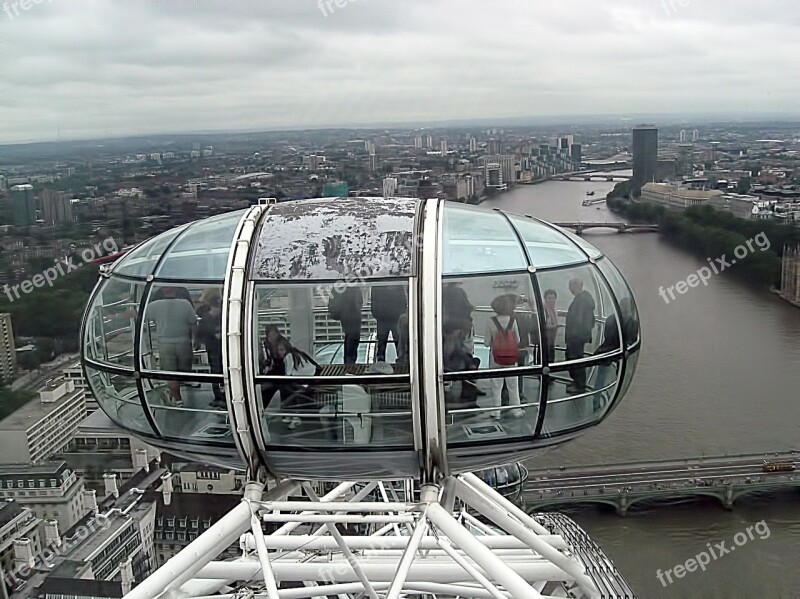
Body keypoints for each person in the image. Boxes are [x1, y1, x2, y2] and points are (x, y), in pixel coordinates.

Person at [144, 286, 197, 406]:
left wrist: (115, 316)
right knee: (184, 370)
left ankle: (178, 399)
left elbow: (139, 314)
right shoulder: (185, 304)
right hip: (184, 342)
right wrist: (196, 340)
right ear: (176, 290)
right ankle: (179, 388)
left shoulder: (154, 305)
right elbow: (193, 323)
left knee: (170, 373)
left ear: (162, 291)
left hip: (165, 343)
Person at [483, 294, 524, 419]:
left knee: (496, 386)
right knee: (513, 385)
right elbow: (517, 340)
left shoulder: (491, 321)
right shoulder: (512, 320)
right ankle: (516, 410)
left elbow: (486, 343)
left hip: (496, 358)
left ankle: (496, 411)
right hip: (511, 358)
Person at [565, 278, 595, 393]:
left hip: (576, 336)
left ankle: (579, 385)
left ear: (577, 286)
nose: (570, 289)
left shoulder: (581, 301)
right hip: (579, 336)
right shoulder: (585, 300)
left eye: (571, 286)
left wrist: (572, 334)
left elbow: (578, 320)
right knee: (576, 358)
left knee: (576, 359)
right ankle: (577, 381)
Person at [195, 288, 225, 408]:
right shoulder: (221, 314)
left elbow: (201, 331)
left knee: (216, 372)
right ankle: (222, 396)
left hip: (213, 347)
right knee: (220, 371)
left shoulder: (205, 316)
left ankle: (219, 397)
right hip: (219, 347)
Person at [370, 285, 406, 362]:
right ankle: (402, 363)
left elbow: (373, 302)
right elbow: (403, 302)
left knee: (381, 345)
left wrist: (377, 315)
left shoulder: (377, 286)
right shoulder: (397, 285)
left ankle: (380, 363)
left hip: (383, 319)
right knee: (399, 343)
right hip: (394, 319)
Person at [329, 286, 363, 364]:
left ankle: (349, 362)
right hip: (351, 315)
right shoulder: (353, 287)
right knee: (352, 339)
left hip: (348, 315)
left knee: (351, 338)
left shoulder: (341, 286)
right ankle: (350, 362)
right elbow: (359, 301)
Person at [443, 282, 474, 352]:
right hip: (460, 323)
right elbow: (466, 306)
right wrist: (472, 307)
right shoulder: (460, 291)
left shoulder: (443, 291)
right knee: (465, 342)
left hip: (447, 323)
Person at [542, 289, 559, 364]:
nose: (551, 300)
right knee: (545, 361)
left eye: (553, 298)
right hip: (544, 341)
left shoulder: (554, 310)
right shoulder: (543, 310)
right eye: (549, 298)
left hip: (552, 341)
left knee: (551, 361)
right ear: (545, 299)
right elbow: (541, 326)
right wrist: (554, 326)